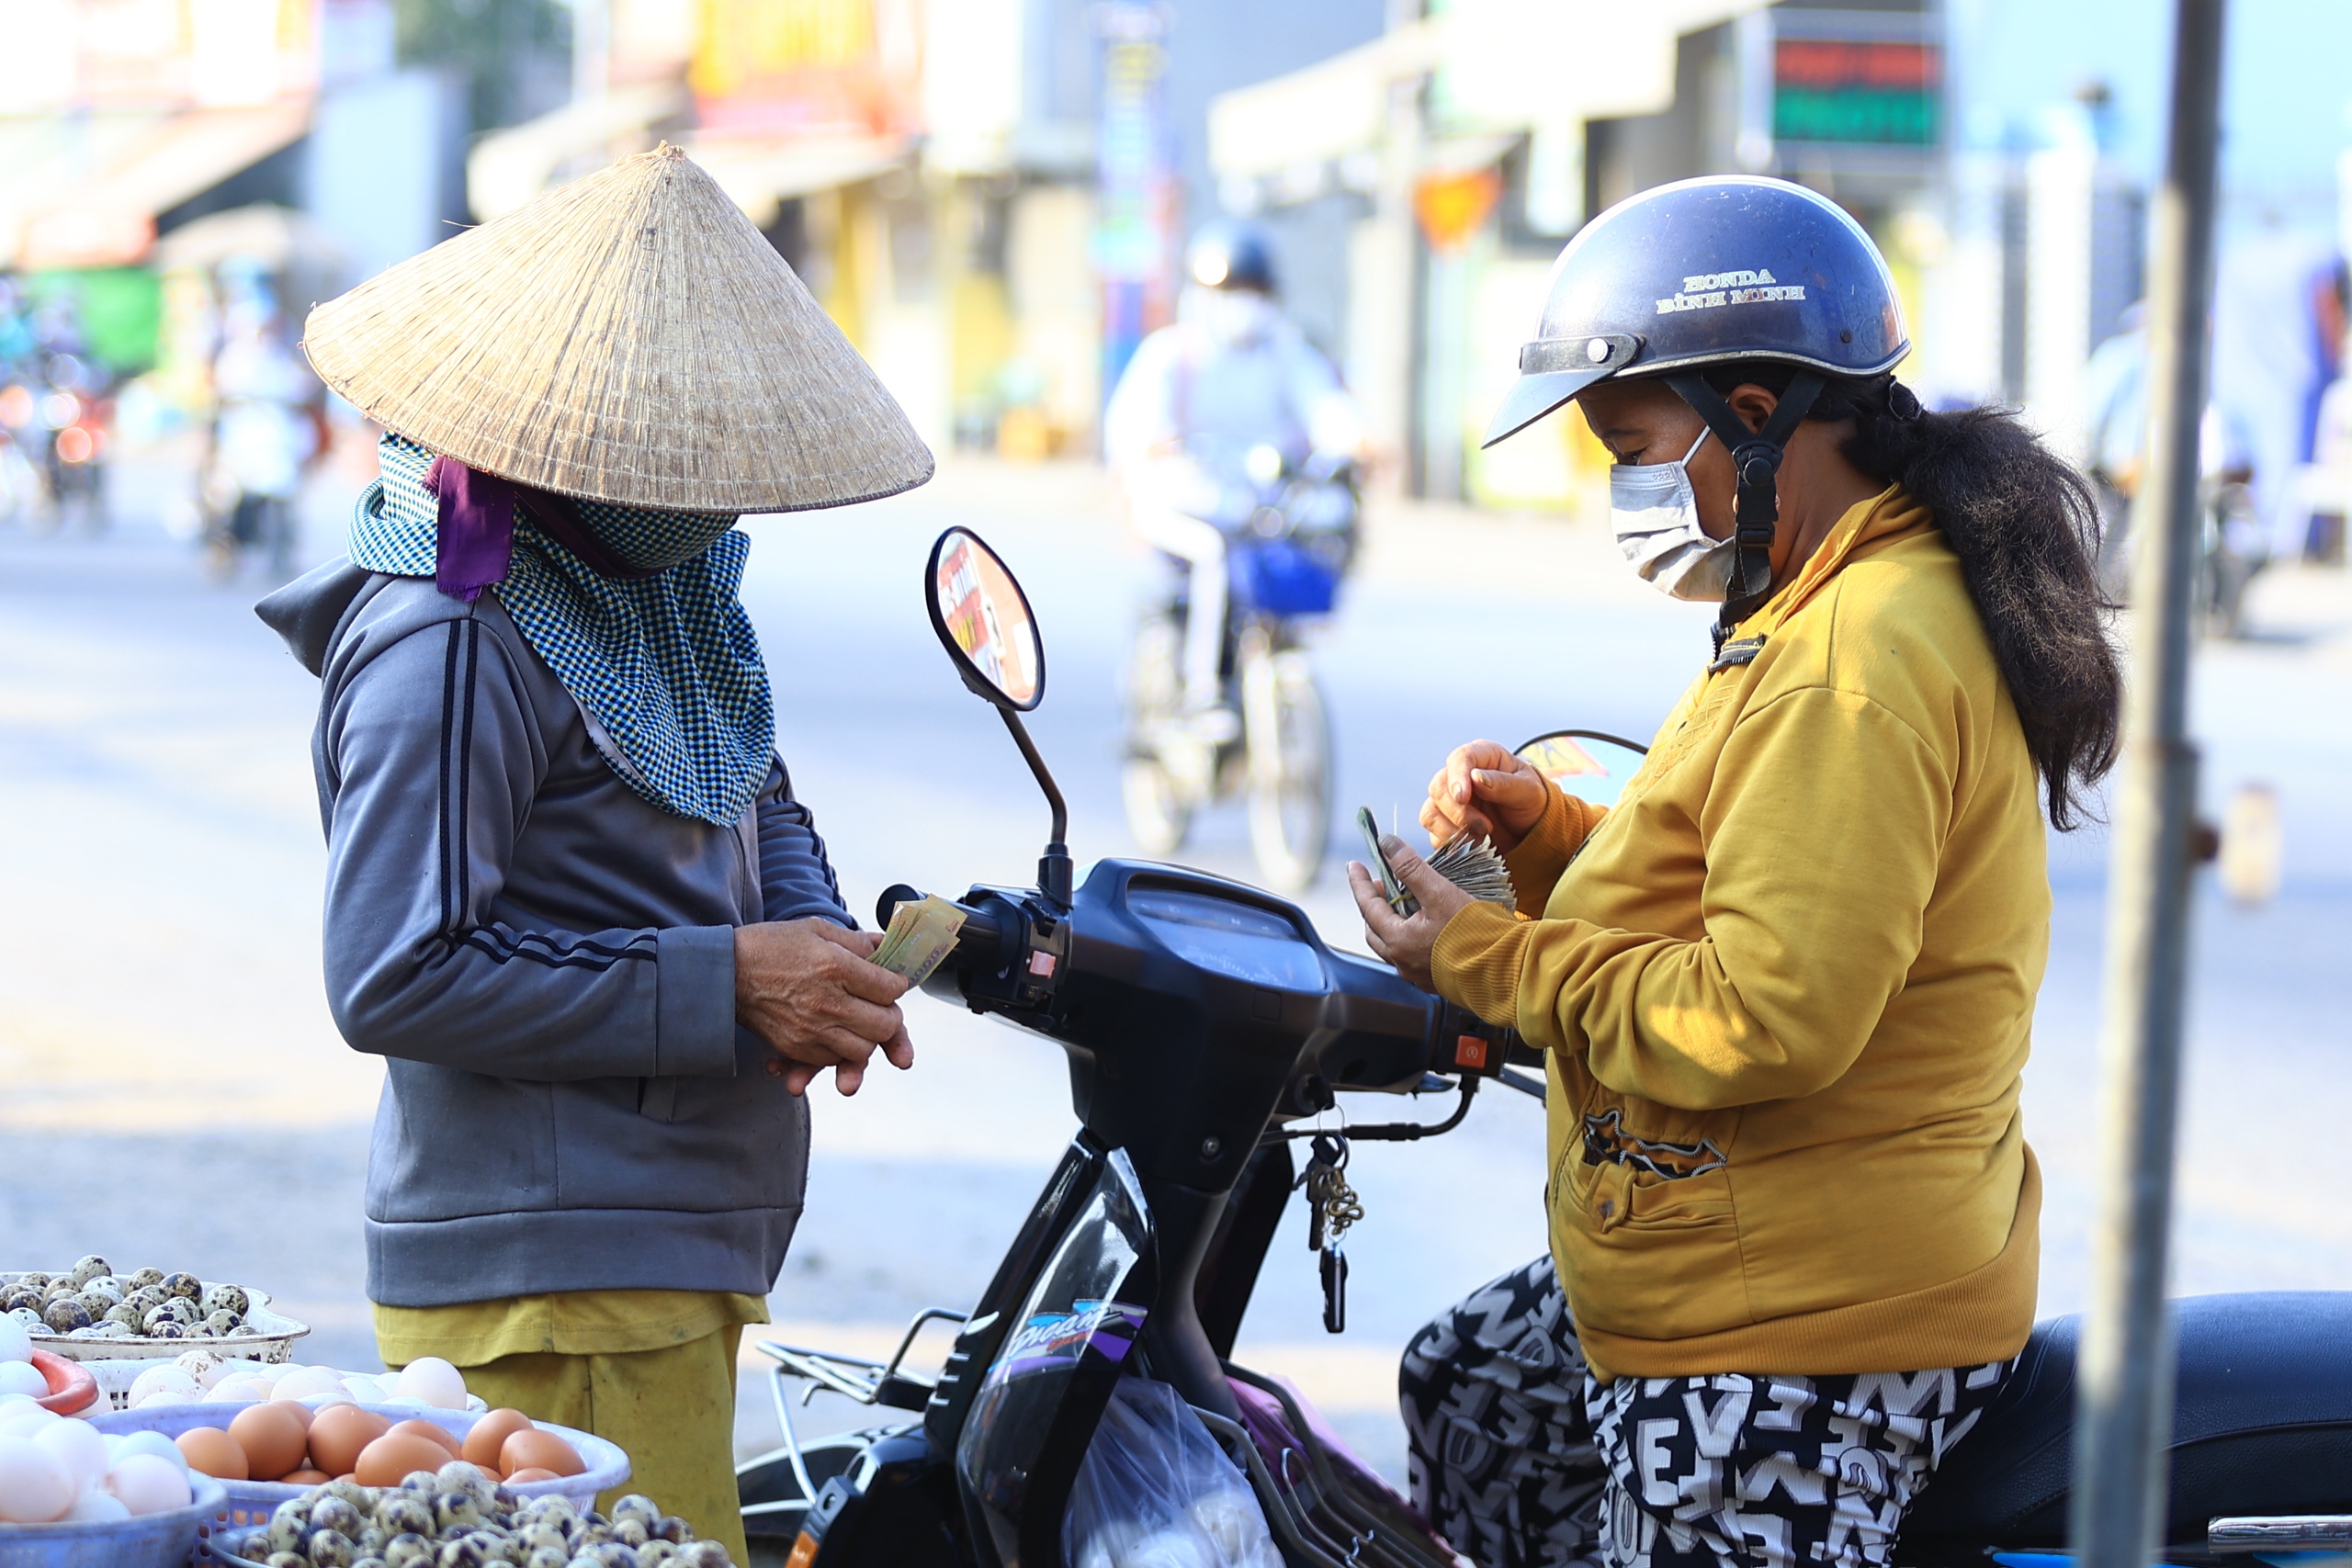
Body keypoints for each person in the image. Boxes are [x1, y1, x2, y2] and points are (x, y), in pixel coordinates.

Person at [1346, 176, 2121, 1568]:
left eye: (1633, 447)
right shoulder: (1822, 599)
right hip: (1737, 1243)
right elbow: (1732, 875)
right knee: (1472, 1392)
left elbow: (1765, 1012)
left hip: (1808, 1326)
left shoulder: (1853, 658)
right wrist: (1541, 834)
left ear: (1753, 414)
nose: (1624, 492)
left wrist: (1477, 952)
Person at [255, 146, 934, 1559]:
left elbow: (752, 781)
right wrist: (732, 979)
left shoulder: (664, 598)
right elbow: (395, 972)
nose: (713, 502)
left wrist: (815, 946)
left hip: (665, 1257)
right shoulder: (450, 639)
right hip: (553, 1292)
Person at [1102, 220, 1368, 728]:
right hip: (1182, 504)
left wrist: (1357, 439)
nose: (1242, 303)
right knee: (1213, 555)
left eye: (1252, 290)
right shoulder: (1171, 355)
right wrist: (1158, 446)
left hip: (1259, 504)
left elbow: (1327, 409)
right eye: (1231, 290)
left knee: (1322, 525)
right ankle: (1204, 691)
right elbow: (1133, 430)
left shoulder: (1286, 354)